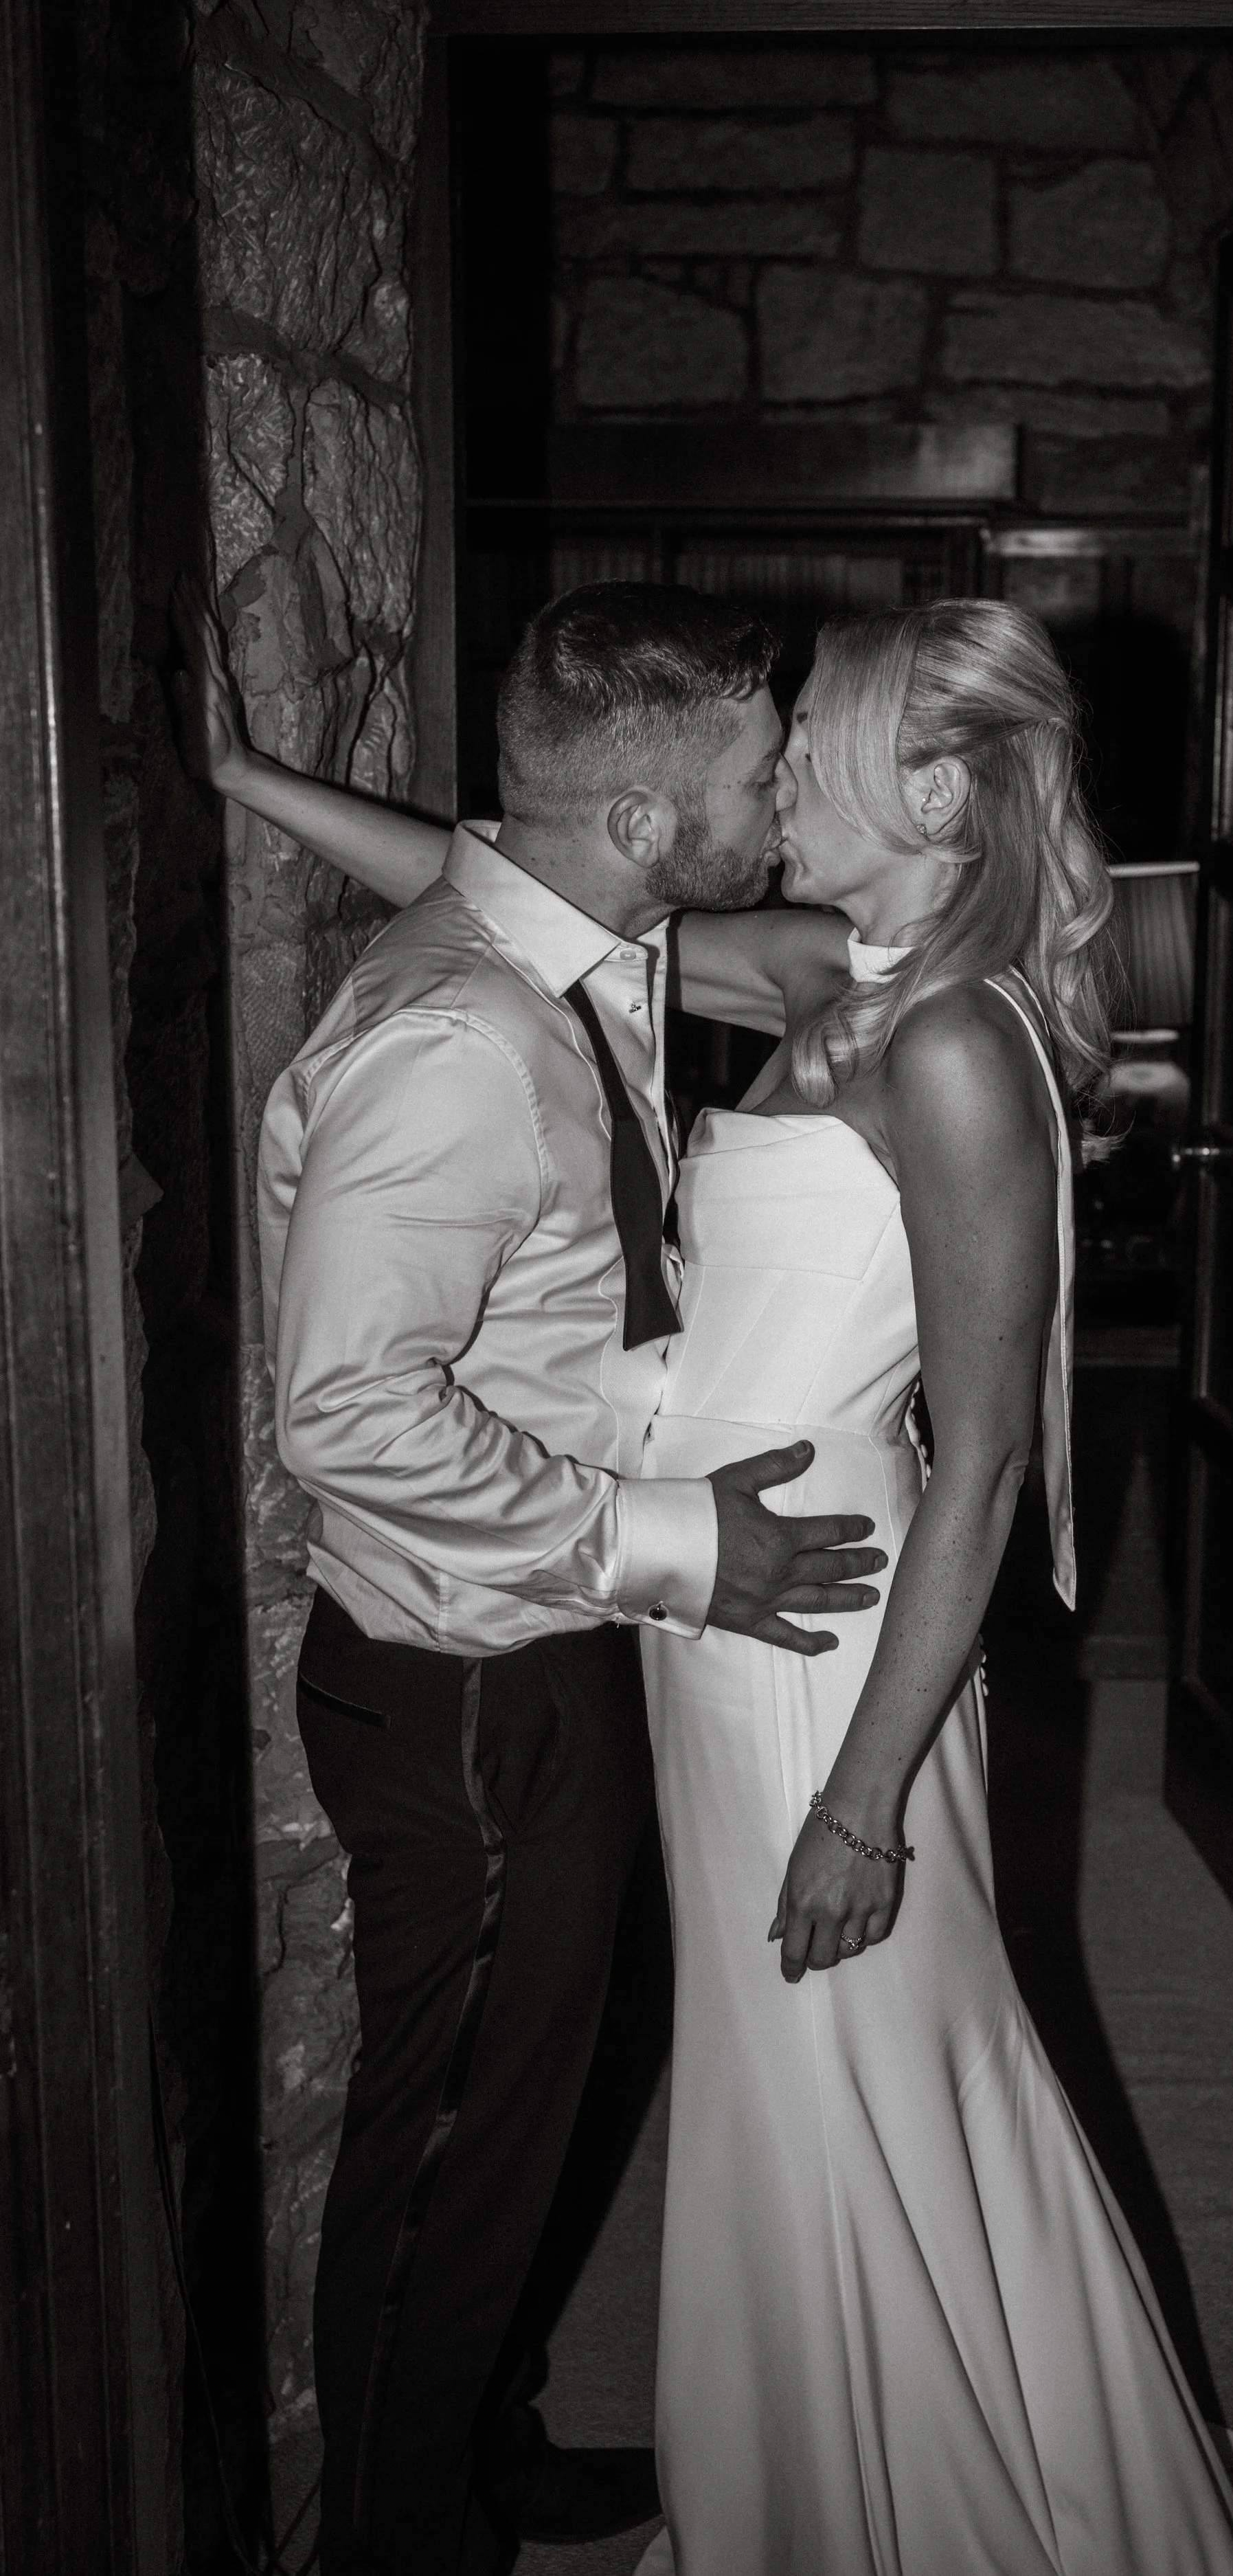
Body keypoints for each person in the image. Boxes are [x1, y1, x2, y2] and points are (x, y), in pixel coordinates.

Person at [183, 583, 1233, 2575]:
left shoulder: (952, 1050)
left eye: (819, 734)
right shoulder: (817, 969)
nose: (779, 767)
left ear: (935, 786)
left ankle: (912, 2495)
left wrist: (867, 1796)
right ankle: (816, 2458)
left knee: (853, 2049)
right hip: (700, 1611)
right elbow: (513, 875)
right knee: (776, 2091)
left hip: (820, 1630)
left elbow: (987, 1460)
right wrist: (253, 779)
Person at [189, 582, 890, 2576]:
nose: (782, 793)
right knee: (448, 2157)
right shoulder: (463, 1042)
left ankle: (483, 2450)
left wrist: (252, 776)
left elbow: (491, 861)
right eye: (760, 770)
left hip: (543, 1643)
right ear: (657, 822)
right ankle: (400, 2542)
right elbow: (346, 1412)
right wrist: (686, 1545)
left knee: (533, 2100)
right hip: (473, 1678)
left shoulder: (582, 935)